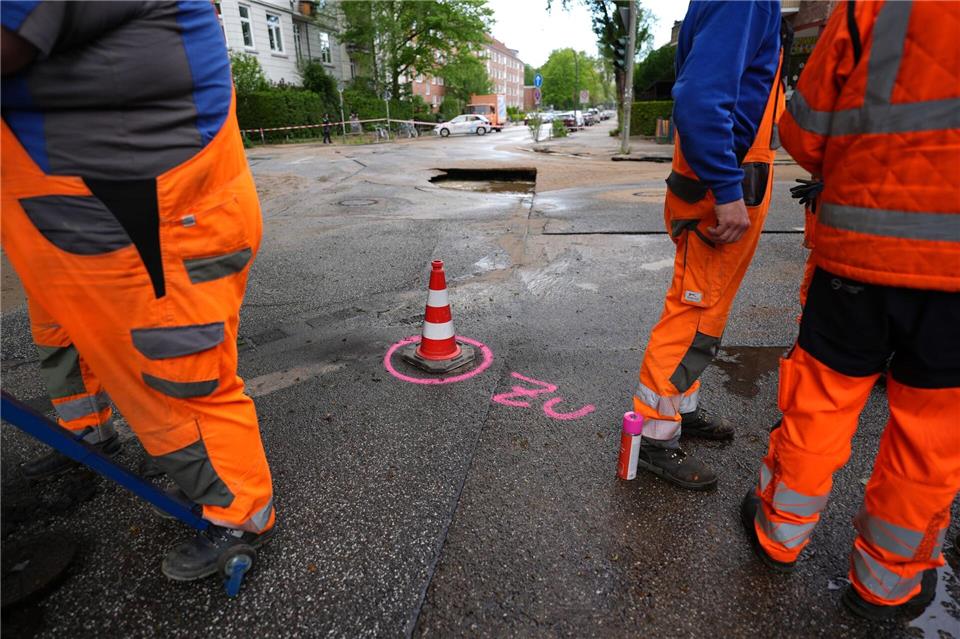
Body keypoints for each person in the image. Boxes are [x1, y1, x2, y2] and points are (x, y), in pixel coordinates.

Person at [1, 1, 276, 581]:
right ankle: (88, 433)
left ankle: (239, 513)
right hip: (71, 219)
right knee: (61, 335)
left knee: (180, 376)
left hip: (145, 219)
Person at [740, 0, 960, 621]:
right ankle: (886, 585)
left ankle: (779, 533)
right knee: (931, 435)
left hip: (858, 252)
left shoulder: (874, 6)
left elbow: (804, 129)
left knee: (822, 402)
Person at [628, 1, 784, 490]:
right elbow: (699, 100)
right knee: (693, 310)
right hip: (722, 185)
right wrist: (728, 188)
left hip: (731, 178)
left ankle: (679, 408)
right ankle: (654, 437)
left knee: (707, 310)